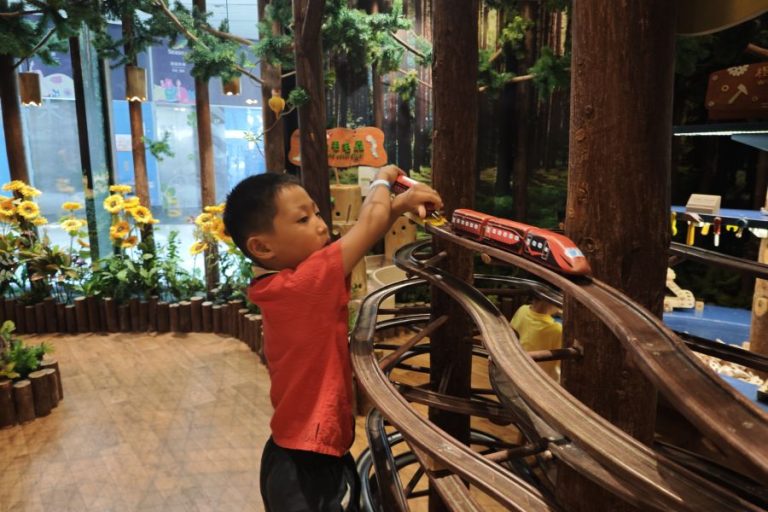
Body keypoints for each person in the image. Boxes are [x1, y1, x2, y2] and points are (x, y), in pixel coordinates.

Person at [223, 165, 442, 511]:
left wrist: (397, 206)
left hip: (296, 450)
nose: (321, 224)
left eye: (316, 212)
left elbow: (368, 229)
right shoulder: (306, 283)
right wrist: (383, 179)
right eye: (303, 219)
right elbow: (369, 224)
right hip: (306, 468)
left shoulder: (280, 284)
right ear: (262, 246)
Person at [510, 297, 563, 382]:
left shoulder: (522, 310)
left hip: (515, 369)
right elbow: (561, 365)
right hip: (539, 380)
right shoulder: (556, 329)